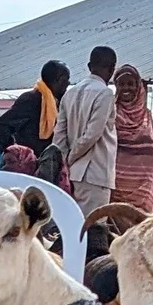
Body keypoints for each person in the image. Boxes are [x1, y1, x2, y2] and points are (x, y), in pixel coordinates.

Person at [53, 46, 118, 210]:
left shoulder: (69, 93)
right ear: (112, 69)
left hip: (72, 174)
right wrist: (71, 157)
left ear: (89, 67)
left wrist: (65, 161)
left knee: (74, 227)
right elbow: (92, 135)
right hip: (96, 173)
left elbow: (59, 135)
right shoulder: (105, 93)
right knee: (94, 229)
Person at [111, 64, 153, 213]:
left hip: (144, 186)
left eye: (130, 84)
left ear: (138, 86)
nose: (126, 88)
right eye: (122, 84)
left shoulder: (146, 115)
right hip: (116, 184)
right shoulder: (110, 112)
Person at [0, 60, 69, 155]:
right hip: (28, 164)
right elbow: (2, 124)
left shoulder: (59, 102)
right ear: (57, 79)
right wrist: (13, 154)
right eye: (66, 79)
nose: (68, 83)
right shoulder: (31, 99)